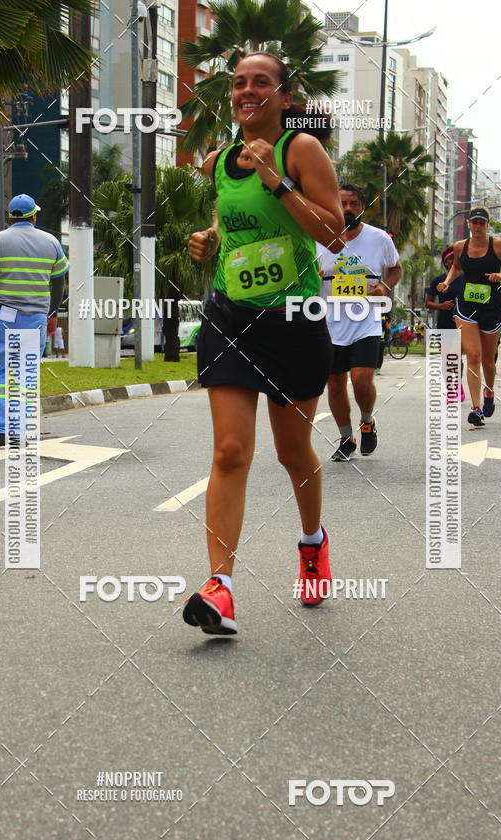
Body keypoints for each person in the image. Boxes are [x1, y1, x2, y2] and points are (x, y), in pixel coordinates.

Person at [183, 52, 345, 634]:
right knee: (230, 451)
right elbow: (235, 226)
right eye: (238, 84)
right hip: (231, 318)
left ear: (283, 96)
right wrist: (209, 239)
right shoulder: (219, 161)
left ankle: (312, 542)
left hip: (294, 323)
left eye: (260, 83)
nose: (246, 91)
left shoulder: (299, 152)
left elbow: (333, 234)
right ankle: (220, 588)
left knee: (293, 453)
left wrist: (278, 184)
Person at [0, 194, 69, 449]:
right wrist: (53, 314)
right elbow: (59, 283)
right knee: (26, 372)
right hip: (36, 318)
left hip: (6, 316)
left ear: (11, 216)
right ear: (33, 216)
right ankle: (20, 429)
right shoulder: (51, 242)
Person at [316, 186, 402, 461]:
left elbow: (396, 268)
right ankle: (345, 438)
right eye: (342, 203)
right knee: (335, 382)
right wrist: (312, 276)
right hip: (330, 322)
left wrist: (384, 288)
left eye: (354, 203)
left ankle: (367, 421)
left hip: (365, 321)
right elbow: (302, 271)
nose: (348, 209)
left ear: (362, 207)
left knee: (361, 380)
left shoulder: (378, 238)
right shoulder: (318, 238)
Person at [437, 207, 501, 427]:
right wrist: (447, 282)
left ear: (487, 224)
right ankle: (476, 408)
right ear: (468, 223)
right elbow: (456, 268)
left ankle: (489, 392)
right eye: (474, 222)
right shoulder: (460, 247)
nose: (478, 226)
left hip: (492, 308)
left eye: (482, 222)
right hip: (466, 307)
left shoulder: (498, 245)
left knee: (488, 361)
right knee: (473, 356)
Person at [425, 245, 466, 402]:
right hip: (444, 322)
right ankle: (451, 389)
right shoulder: (438, 280)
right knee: (445, 358)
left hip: (462, 322)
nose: (453, 261)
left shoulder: (466, 278)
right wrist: (440, 306)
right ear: (446, 262)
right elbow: (428, 303)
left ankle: (457, 387)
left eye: (455, 258)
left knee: (456, 356)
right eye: (450, 259)